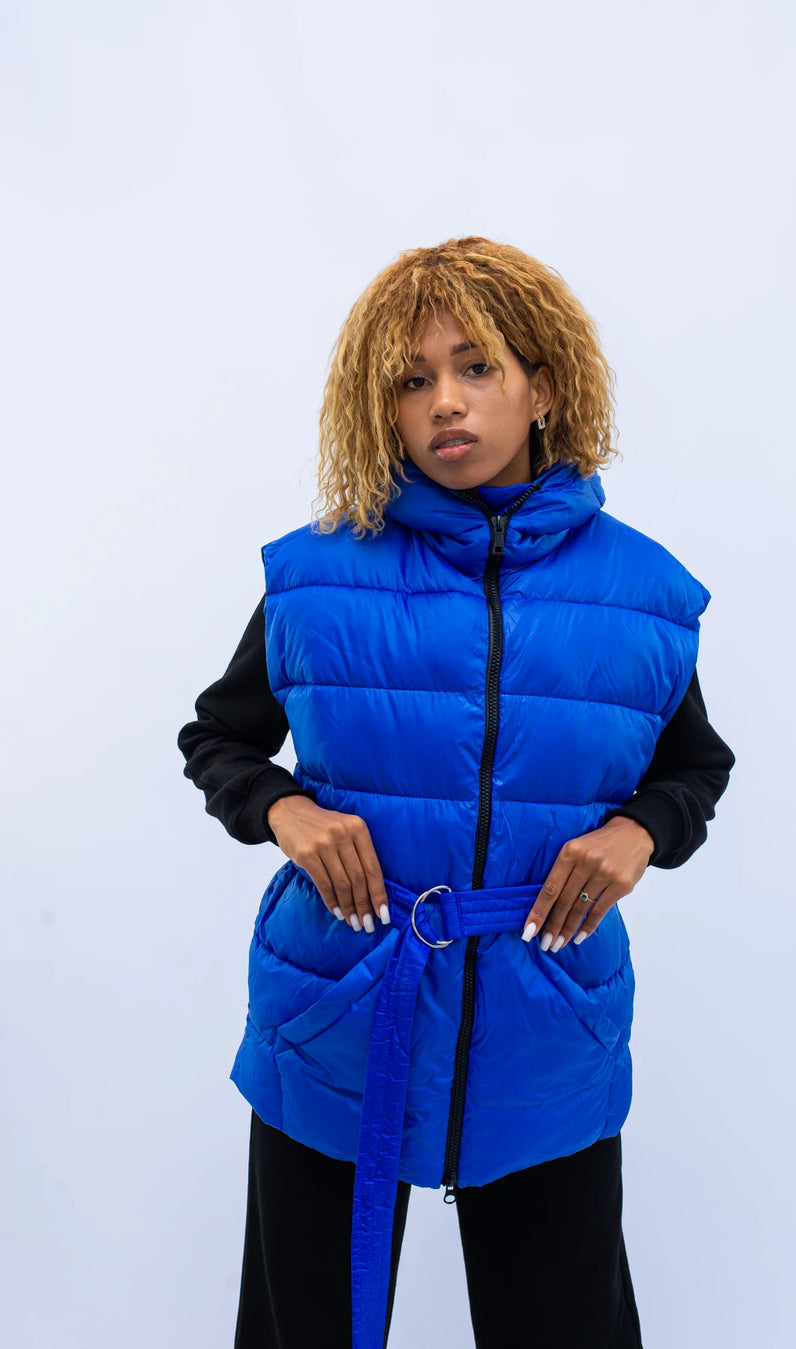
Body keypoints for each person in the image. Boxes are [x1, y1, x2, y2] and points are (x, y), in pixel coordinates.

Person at [178, 235, 735, 1349]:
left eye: (477, 366)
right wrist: (287, 812)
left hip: (549, 1018)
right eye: (412, 378)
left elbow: (694, 767)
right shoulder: (313, 577)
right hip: (337, 1007)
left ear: (545, 386)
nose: (445, 401)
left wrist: (640, 830)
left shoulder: (645, 593)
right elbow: (219, 738)